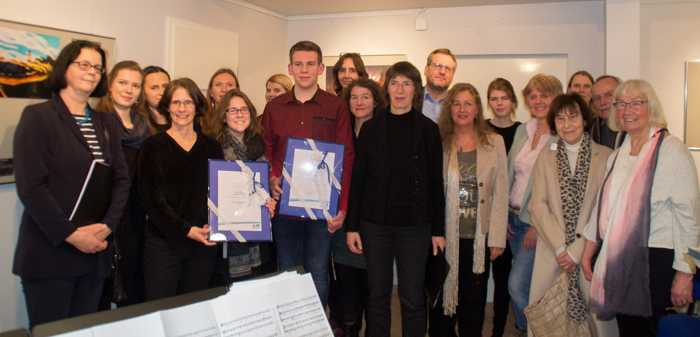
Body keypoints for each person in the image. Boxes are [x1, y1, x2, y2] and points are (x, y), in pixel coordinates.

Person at [13, 39, 129, 327]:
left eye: (98, 68)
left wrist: (108, 226)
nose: (92, 72)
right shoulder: (37, 117)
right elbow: (31, 187)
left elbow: (121, 179)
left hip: (95, 254)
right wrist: (72, 235)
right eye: (84, 64)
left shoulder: (107, 123)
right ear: (65, 67)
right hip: (51, 254)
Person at [581, 80, 699, 337]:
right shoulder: (618, 154)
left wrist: (685, 274)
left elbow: (690, 220)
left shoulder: (671, 150)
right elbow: (602, 208)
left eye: (636, 103)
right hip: (620, 258)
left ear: (651, 107)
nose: (627, 110)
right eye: (621, 104)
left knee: (649, 330)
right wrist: (588, 250)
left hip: (657, 260)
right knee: (628, 329)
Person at [346, 61, 445, 337]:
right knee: (377, 295)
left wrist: (438, 230)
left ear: (415, 89)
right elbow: (359, 181)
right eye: (394, 83)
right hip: (375, 225)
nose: (400, 89)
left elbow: (436, 183)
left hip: (415, 226)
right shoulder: (371, 129)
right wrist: (352, 226)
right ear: (386, 88)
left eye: (407, 83)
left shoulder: (428, 130)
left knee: (412, 297)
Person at [262, 41, 354, 307]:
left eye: (310, 64)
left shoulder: (336, 107)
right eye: (298, 64)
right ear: (290, 68)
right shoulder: (274, 107)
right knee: (287, 271)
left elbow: (346, 156)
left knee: (318, 272)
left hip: (322, 208)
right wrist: (272, 177)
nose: (304, 70)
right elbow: (267, 149)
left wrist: (343, 206)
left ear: (320, 68)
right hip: (284, 206)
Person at [527, 93, 613, 337]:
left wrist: (576, 251)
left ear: (585, 120)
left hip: (589, 253)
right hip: (552, 251)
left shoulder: (606, 156)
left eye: (573, 117)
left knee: (596, 323)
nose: (567, 124)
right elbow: (538, 205)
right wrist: (560, 248)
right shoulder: (546, 155)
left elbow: (603, 209)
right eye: (560, 118)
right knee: (549, 321)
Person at [429, 83, 508, 337]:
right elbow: (432, 192)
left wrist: (497, 238)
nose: (462, 109)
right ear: (449, 108)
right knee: (441, 308)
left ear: (477, 109)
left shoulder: (495, 143)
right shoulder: (440, 141)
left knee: (473, 308)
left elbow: (500, 194)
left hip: (479, 239)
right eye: (456, 103)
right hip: (444, 238)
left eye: (468, 104)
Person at [138, 78, 224, 301]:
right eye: (176, 102)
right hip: (164, 245)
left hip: (204, 243)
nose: (182, 109)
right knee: (162, 312)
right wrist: (186, 230)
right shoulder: (151, 147)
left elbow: (221, 194)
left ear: (197, 106)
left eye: (188, 102)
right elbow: (151, 201)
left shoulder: (212, 147)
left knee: (195, 312)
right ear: (167, 106)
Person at [507, 73, 563, 336]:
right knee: (527, 286)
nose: (538, 100)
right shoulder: (522, 130)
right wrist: (503, 218)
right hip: (513, 220)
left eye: (545, 95)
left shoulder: (562, 133)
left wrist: (537, 226)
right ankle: (528, 329)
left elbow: (558, 189)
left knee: (517, 286)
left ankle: (535, 330)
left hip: (535, 225)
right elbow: (510, 173)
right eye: (533, 95)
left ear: (556, 98)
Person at [329, 78, 385, 337]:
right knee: (346, 285)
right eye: (354, 97)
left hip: (375, 221)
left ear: (376, 100)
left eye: (365, 97)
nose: (359, 102)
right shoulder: (340, 132)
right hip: (343, 219)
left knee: (372, 289)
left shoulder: (384, 132)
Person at [95, 60, 150, 307]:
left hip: (141, 217)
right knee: (106, 292)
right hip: (109, 217)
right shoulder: (97, 123)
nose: (129, 90)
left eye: (135, 85)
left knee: (136, 288)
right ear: (110, 84)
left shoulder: (145, 125)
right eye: (123, 83)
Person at [211, 89, 277, 281]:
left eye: (244, 109)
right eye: (232, 110)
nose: (239, 114)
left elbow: (263, 187)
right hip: (227, 234)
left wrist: (269, 202)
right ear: (223, 116)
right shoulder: (213, 147)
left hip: (257, 231)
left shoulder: (260, 145)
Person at [484, 77, 521, 337]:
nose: (499, 103)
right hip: (486, 213)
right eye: (494, 98)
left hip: (512, 214)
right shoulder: (482, 128)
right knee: (480, 274)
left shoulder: (523, 131)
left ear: (513, 101)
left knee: (504, 277)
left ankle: (498, 328)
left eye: (504, 98)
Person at [422, 48, 457, 122]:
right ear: (426, 70)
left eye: (447, 68)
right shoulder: (411, 98)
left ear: (453, 75)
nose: (442, 72)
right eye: (438, 66)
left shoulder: (458, 103)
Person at [590, 75, 622, 149]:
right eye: (597, 98)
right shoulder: (591, 130)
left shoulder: (636, 128)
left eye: (608, 95)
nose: (602, 102)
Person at [141, 66, 171, 133]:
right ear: (142, 92)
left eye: (165, 86)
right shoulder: (137, 122)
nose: (162, 92)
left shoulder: (181, 116)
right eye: (154, 88)